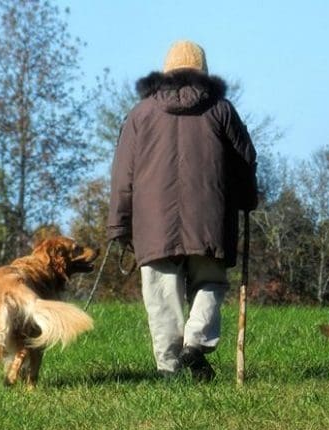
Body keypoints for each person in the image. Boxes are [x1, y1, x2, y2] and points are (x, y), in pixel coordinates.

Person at [108, 40, 258, 381]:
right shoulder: (221, 110)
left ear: (166, 71)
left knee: (161, 296)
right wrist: (247, 200)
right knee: (210, 282)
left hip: (153, 223)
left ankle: (169, 370)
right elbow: (245, 161)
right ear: (203, 71)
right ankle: (196, 343)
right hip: (210, 219)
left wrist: (118, 225)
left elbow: (122, 174)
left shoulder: (140, 113)